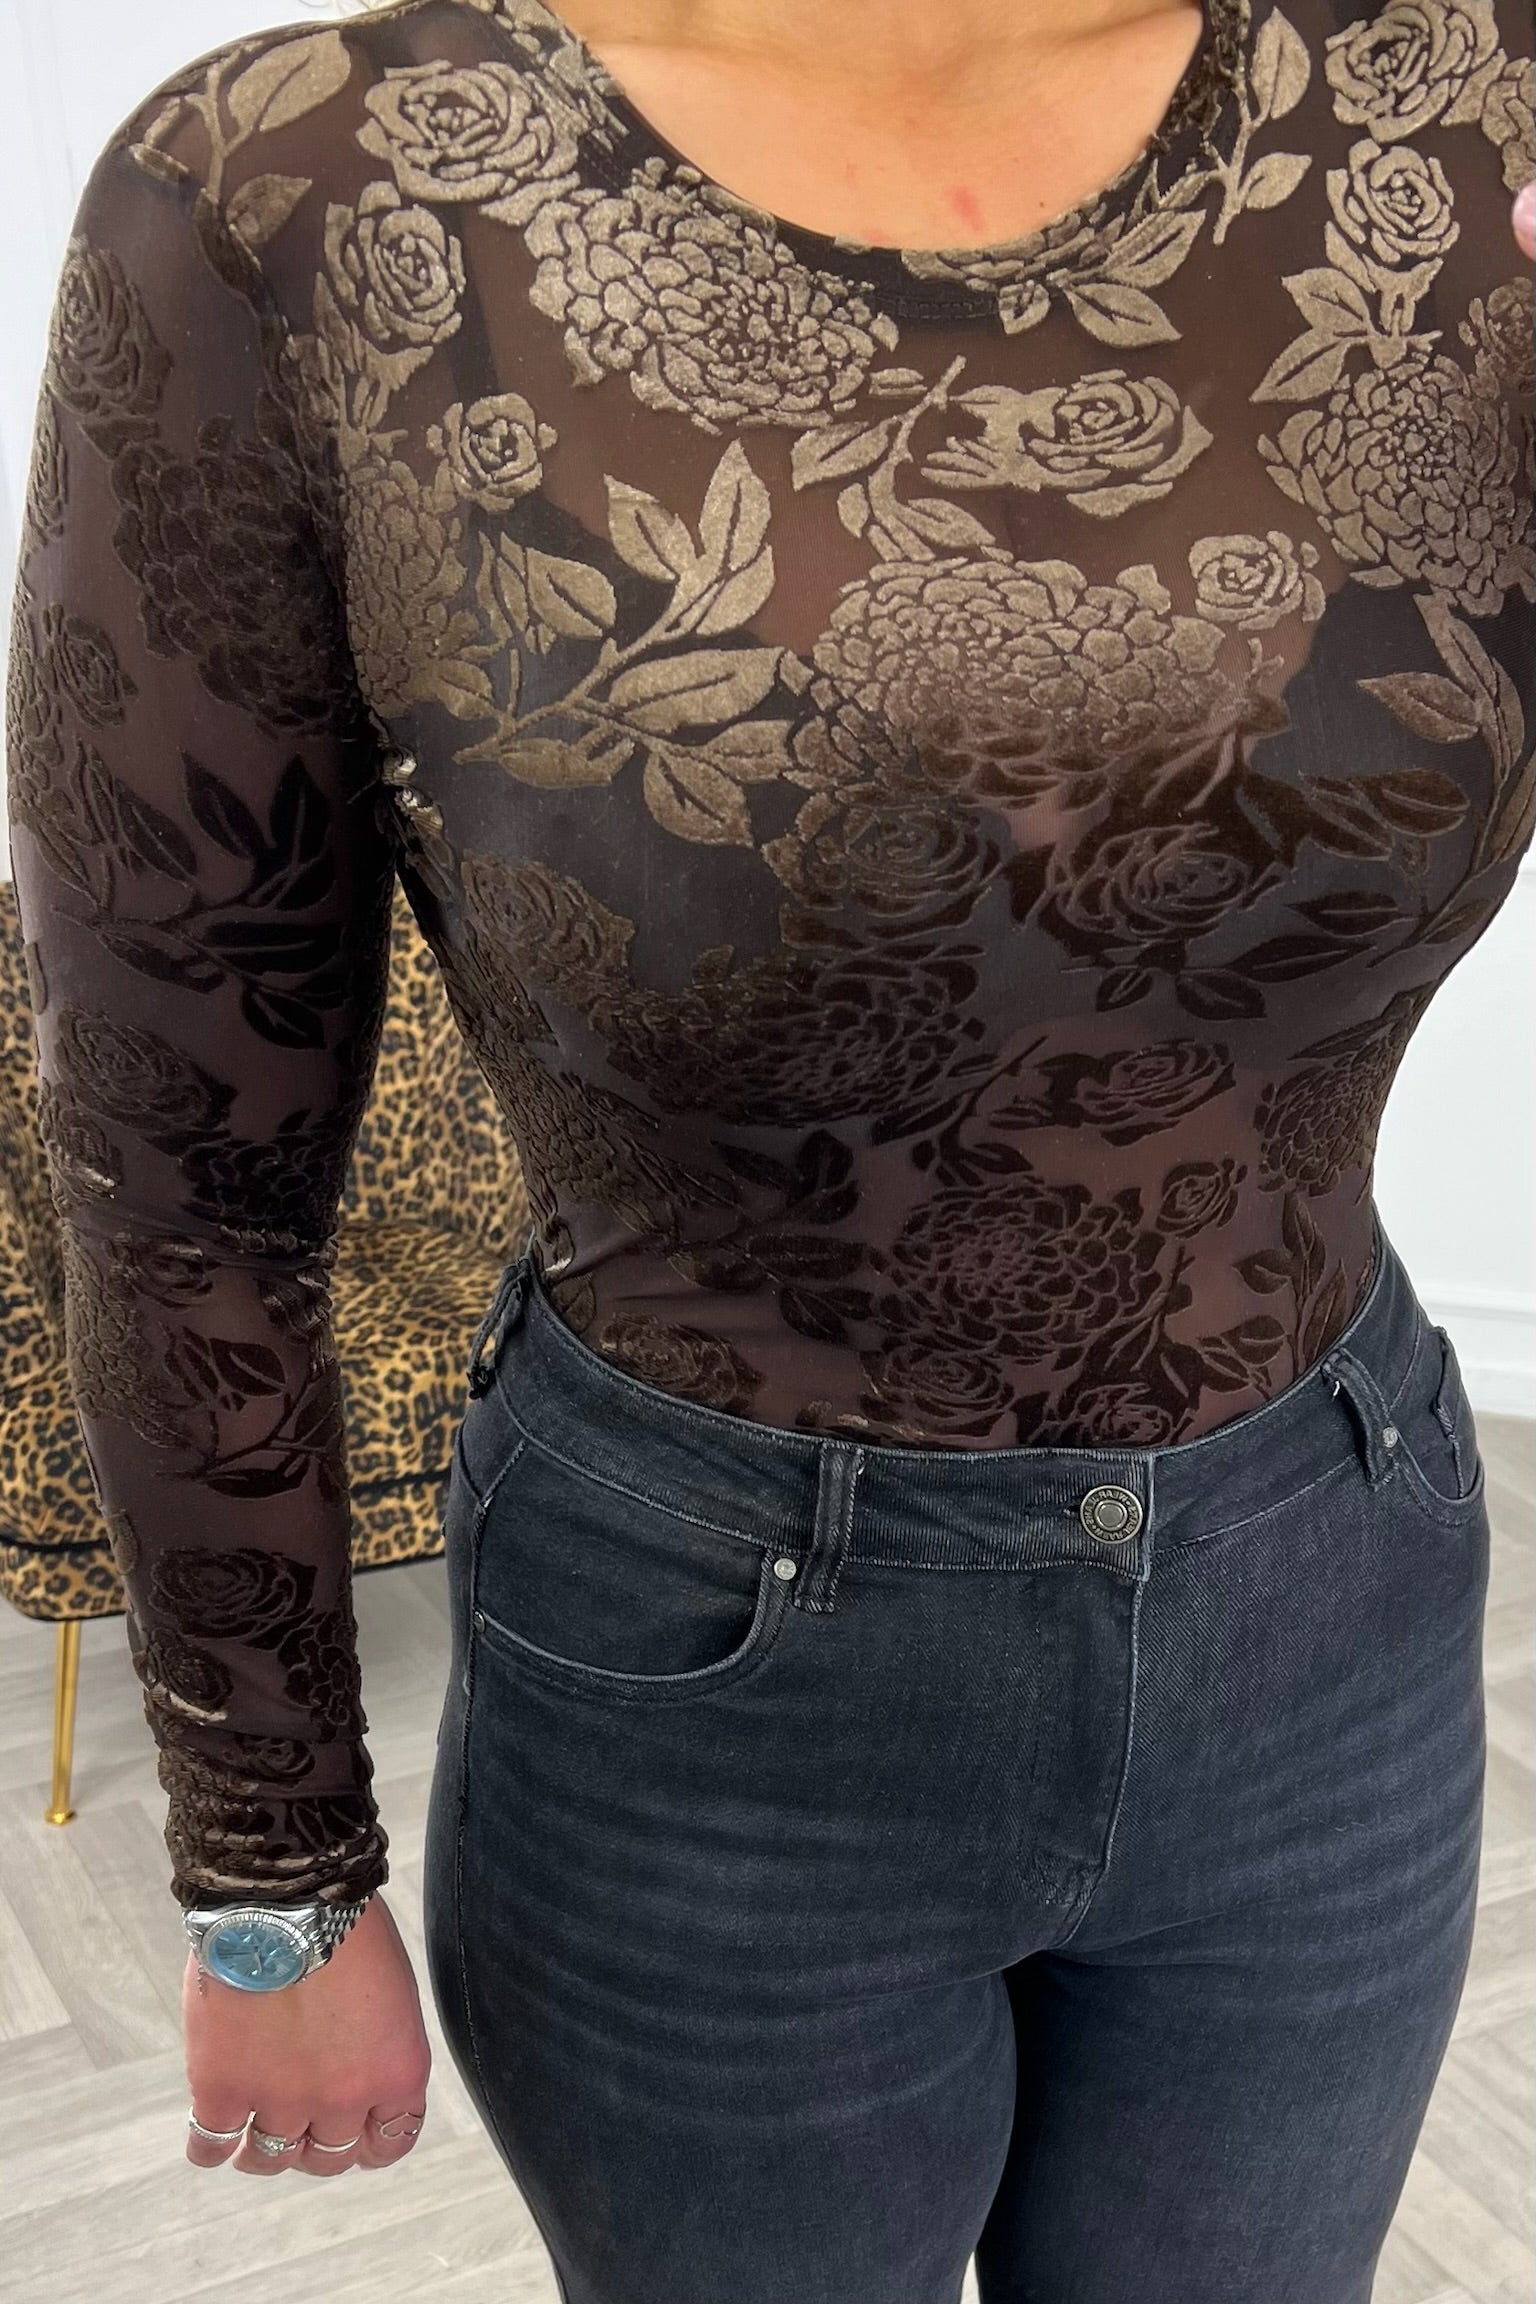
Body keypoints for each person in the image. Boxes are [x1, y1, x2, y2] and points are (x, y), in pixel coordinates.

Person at [4, 0, 1532, 2293]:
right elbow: (176, 1176)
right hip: (709, 1687)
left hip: (1337, 1598)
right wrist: (267, 1874)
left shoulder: (1462, 96)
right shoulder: (305, 193)